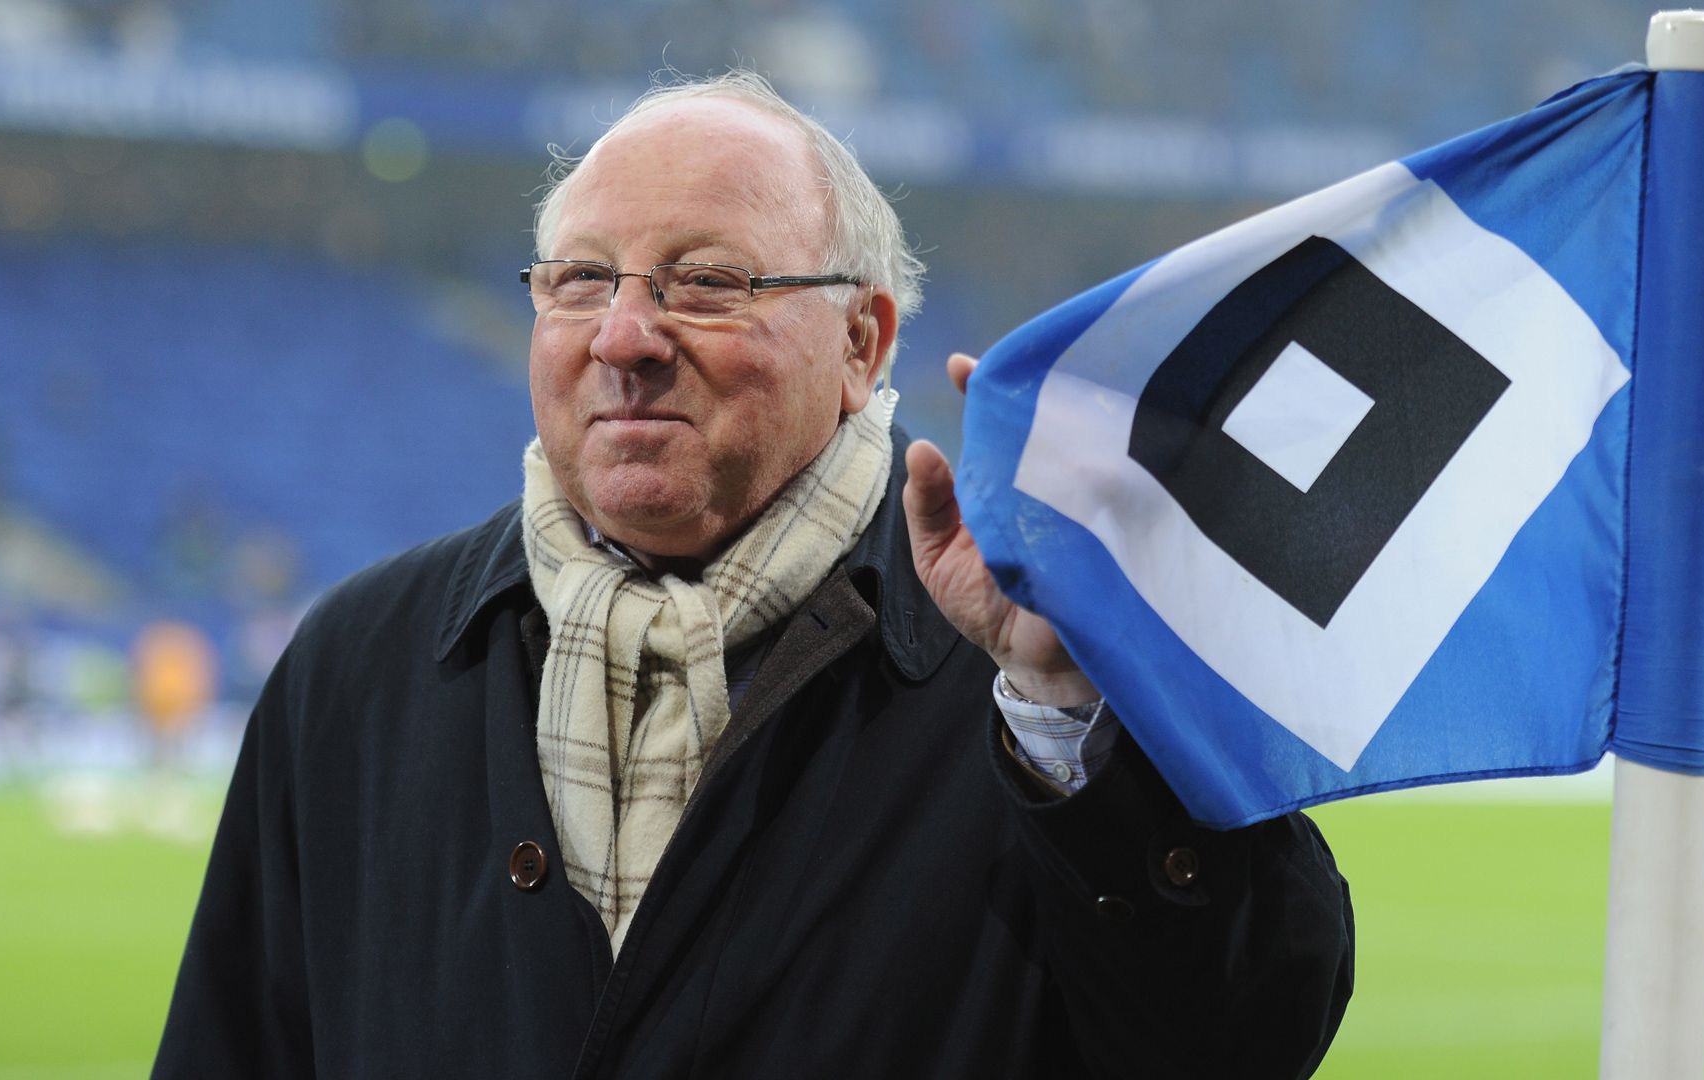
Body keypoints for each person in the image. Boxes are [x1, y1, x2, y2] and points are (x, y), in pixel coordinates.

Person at [155, 71, 1353, 1079]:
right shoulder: (361, 662)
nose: (624, 337)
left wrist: (1067, 722)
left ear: (862, 342)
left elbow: (1247, 1038)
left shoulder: (1055, 651)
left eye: (707, 283)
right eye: (579, 281)